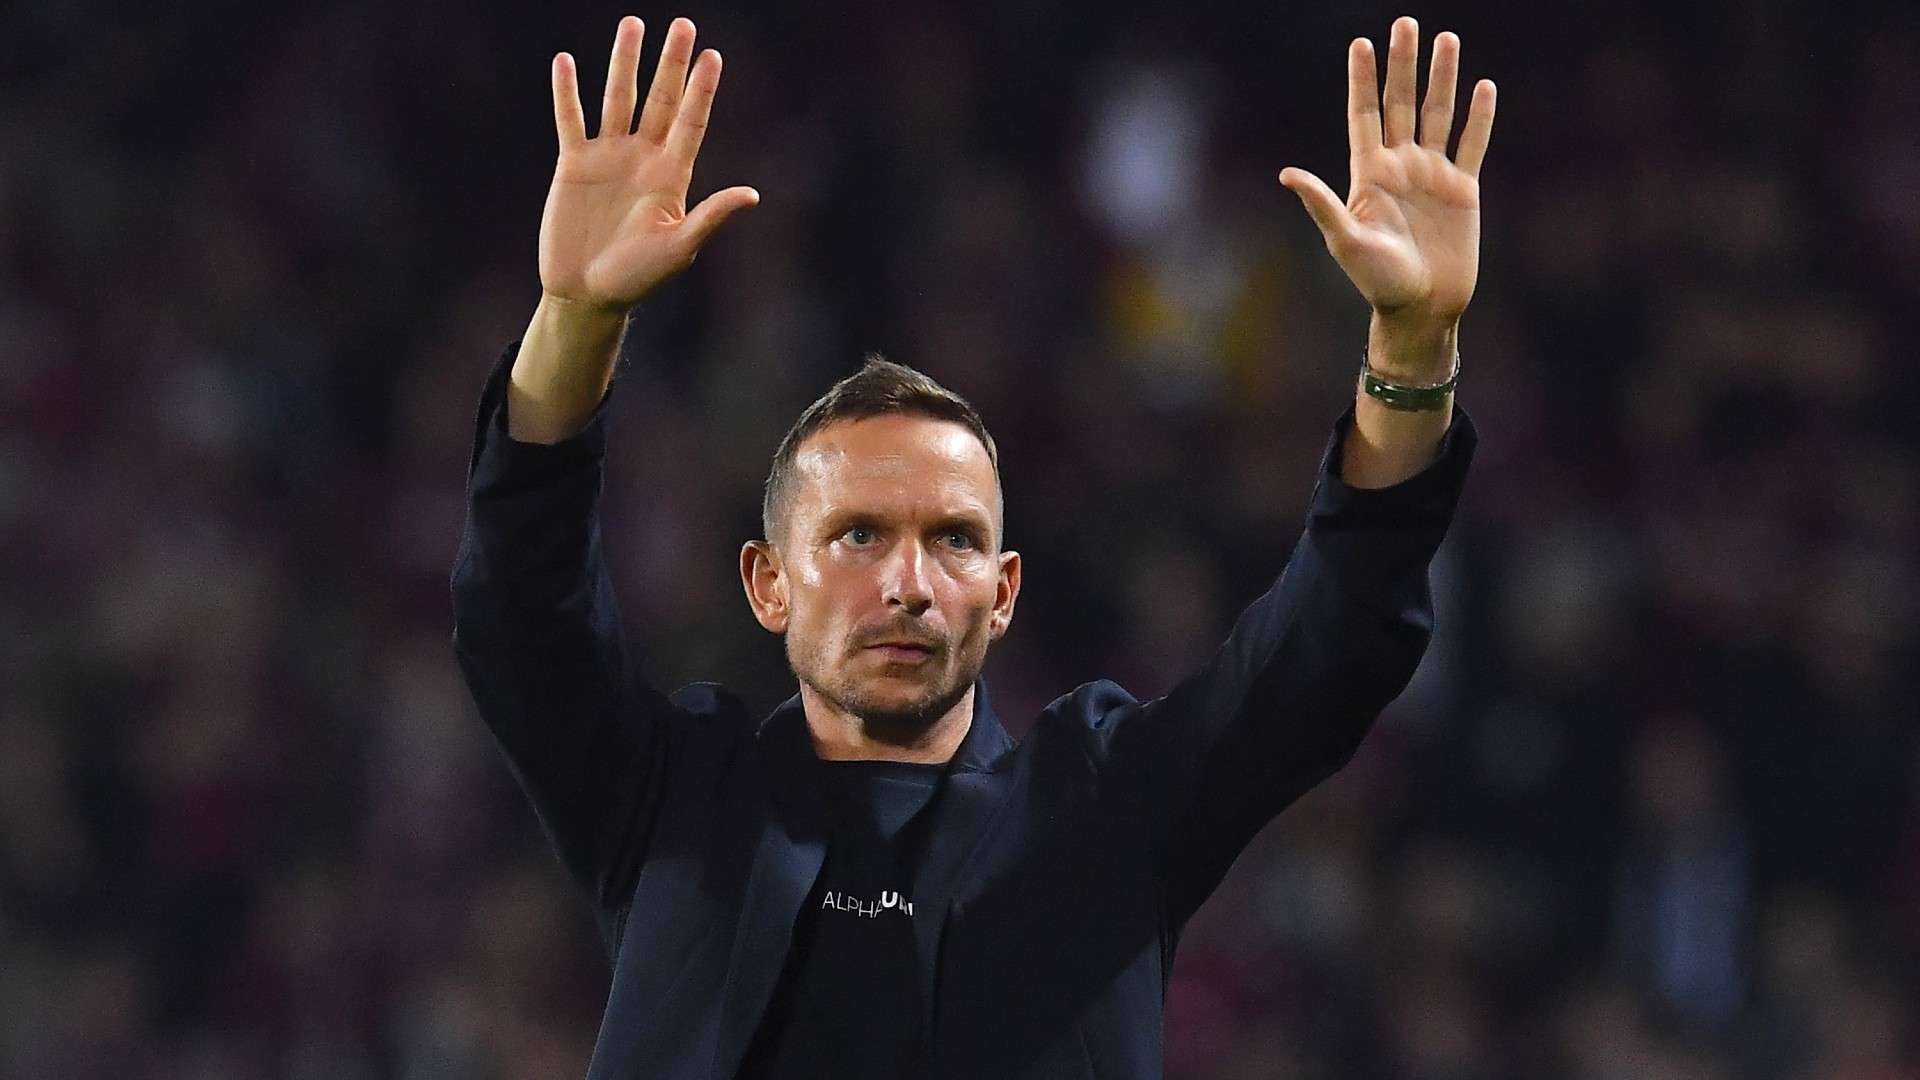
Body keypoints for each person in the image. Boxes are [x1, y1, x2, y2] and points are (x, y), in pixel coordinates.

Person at [450, 12, 1493, 1078]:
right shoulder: (672, 801)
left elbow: (1330, 640)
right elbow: (521, 609)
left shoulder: (1104, 810)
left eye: (952, 541)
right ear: (767, 583)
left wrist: (1412, 348)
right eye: (857, 534)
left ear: (1002, 595)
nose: (907, 582)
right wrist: (574, 317)